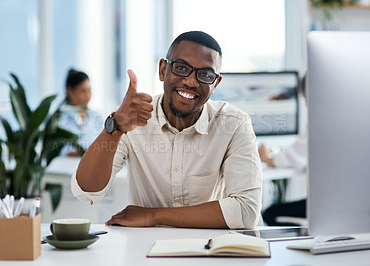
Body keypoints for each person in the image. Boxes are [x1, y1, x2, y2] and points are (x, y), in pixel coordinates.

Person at [71, 31, 262, 229]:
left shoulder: (234, 124)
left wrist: (152, 216)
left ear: (215, 84)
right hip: (145, 251)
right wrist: (115, 129)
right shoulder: (131, 118)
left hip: (208, 250)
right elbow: (86, 191)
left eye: (205, 74)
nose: (190, 81)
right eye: (181, 68)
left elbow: (246, 212)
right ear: (163, 70)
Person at [259, 74, 307, 226]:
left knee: (269, 213)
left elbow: (289, 158)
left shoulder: (320, 120)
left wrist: (266, 158)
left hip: (324, 205)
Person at [59, 68, 103, 156]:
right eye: (83, 91)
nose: (87, 95)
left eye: (89, 90)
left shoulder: (97, 117)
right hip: (64, 168)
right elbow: (55, 152)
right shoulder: (58, 119)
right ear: (69, 91)